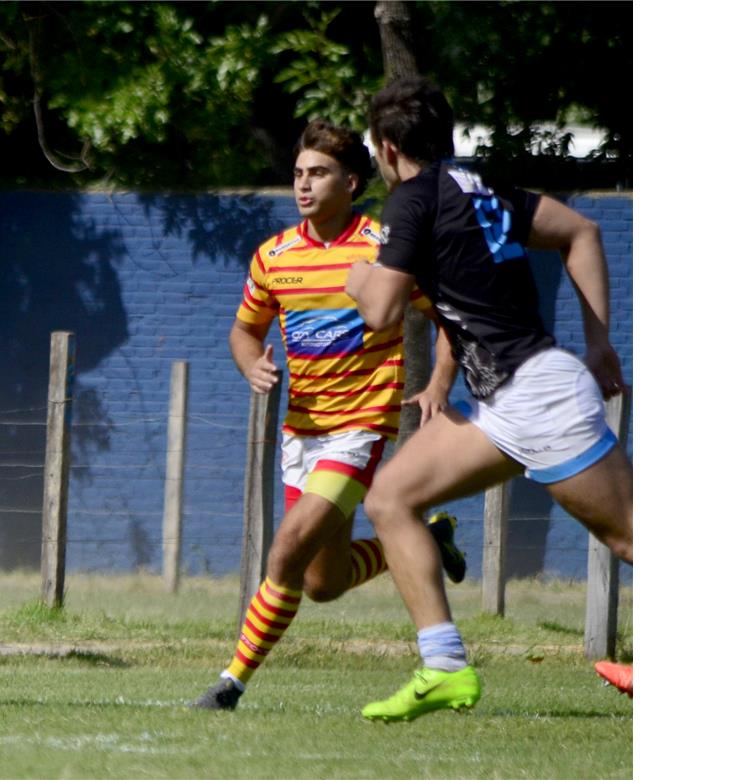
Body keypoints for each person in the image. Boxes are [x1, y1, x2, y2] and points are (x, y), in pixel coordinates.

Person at [345, 77, 632, 722]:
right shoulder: (476, 186)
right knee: (391, 498)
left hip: (538, 397)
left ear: (388, 148)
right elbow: (579, 232)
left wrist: (357, 277)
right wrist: (598, 345)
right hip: (507, 401)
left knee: (632, 539)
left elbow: (384, 312)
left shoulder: (410, 203)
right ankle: (443, 667)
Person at [192, 119, 465, 711]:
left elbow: (449, 321)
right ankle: (422, 539)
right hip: (302, 432)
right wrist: (251, 366)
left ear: (353, 181)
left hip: (361, 428)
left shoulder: (384, 250)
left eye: (318, 173)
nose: (303, 185)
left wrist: (439, 383)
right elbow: (244, 332)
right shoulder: (274, 256)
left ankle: (229, 685)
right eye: (298, 174)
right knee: (322, 583)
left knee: (286, 549)